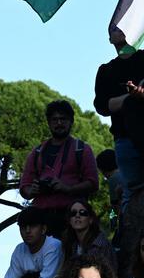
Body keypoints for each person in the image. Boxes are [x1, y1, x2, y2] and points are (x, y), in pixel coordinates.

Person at [93, 29, 144, 204]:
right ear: (109, 38)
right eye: (114, 28)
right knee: (131, 198)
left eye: (123, 25)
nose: (120, 29)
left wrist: (143, 93)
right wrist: (131, 98)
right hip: (126, 141)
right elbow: (103, 106)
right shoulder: (106, 70)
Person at [19, 101, 98, 237]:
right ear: (48, 123)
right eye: (54, 120)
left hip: (71, 217)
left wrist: (68, 189)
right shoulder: (37, 152)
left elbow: (93, 183)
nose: (59, 123)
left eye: (63, 119)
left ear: (71, 121)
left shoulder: (82, 149)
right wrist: (32, 190)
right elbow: (24, 186)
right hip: (41, 218)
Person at [1, 208, 63, 278]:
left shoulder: (53, 246)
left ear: (43, 229)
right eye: (23, 227)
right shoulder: (19, 250)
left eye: (33, 226)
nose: (27, 231)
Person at [61, 202, 116, 269]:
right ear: (70, 221)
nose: (77, 215)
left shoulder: (99, 244)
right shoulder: (71, 243)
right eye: (73, 213)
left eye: (82, 213)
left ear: (90, 220)